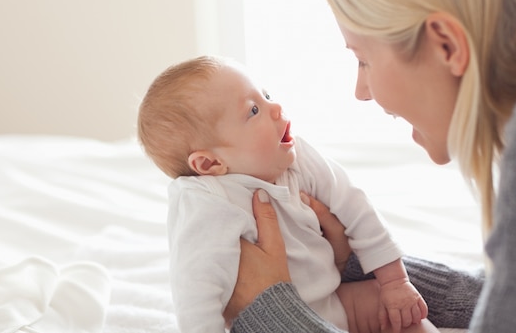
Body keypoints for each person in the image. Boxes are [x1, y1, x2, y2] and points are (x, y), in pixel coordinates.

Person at [224, 0, 516, 332]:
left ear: (446, 45)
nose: (361, 91)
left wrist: (268, 310)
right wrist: (367, 268)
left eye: (363, 59)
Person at [137, 55, 432, 333]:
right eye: (253, 111)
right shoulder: (206, 201)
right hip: (267, 322)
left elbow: (355, 205)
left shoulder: (297, 157)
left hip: (335, 300)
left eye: (265, 95)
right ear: (209, 163)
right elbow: (195, 289)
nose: (275, 107)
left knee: (403, 314)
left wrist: (395, 281)